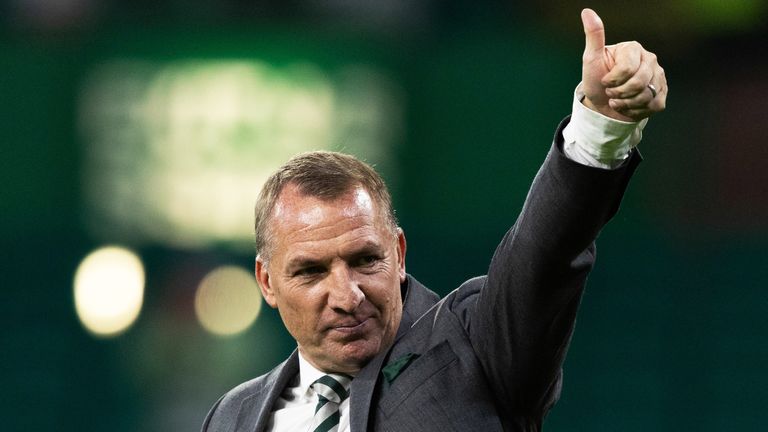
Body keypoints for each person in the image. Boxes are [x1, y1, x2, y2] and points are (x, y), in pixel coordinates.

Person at [202, 8, 667, 432]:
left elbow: (542, 256)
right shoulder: (232, 416)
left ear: (399, 253)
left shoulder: (473, 345)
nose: (346, 296)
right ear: (266, 281)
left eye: (365, 260)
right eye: (310, 271)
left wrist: (599, 126)